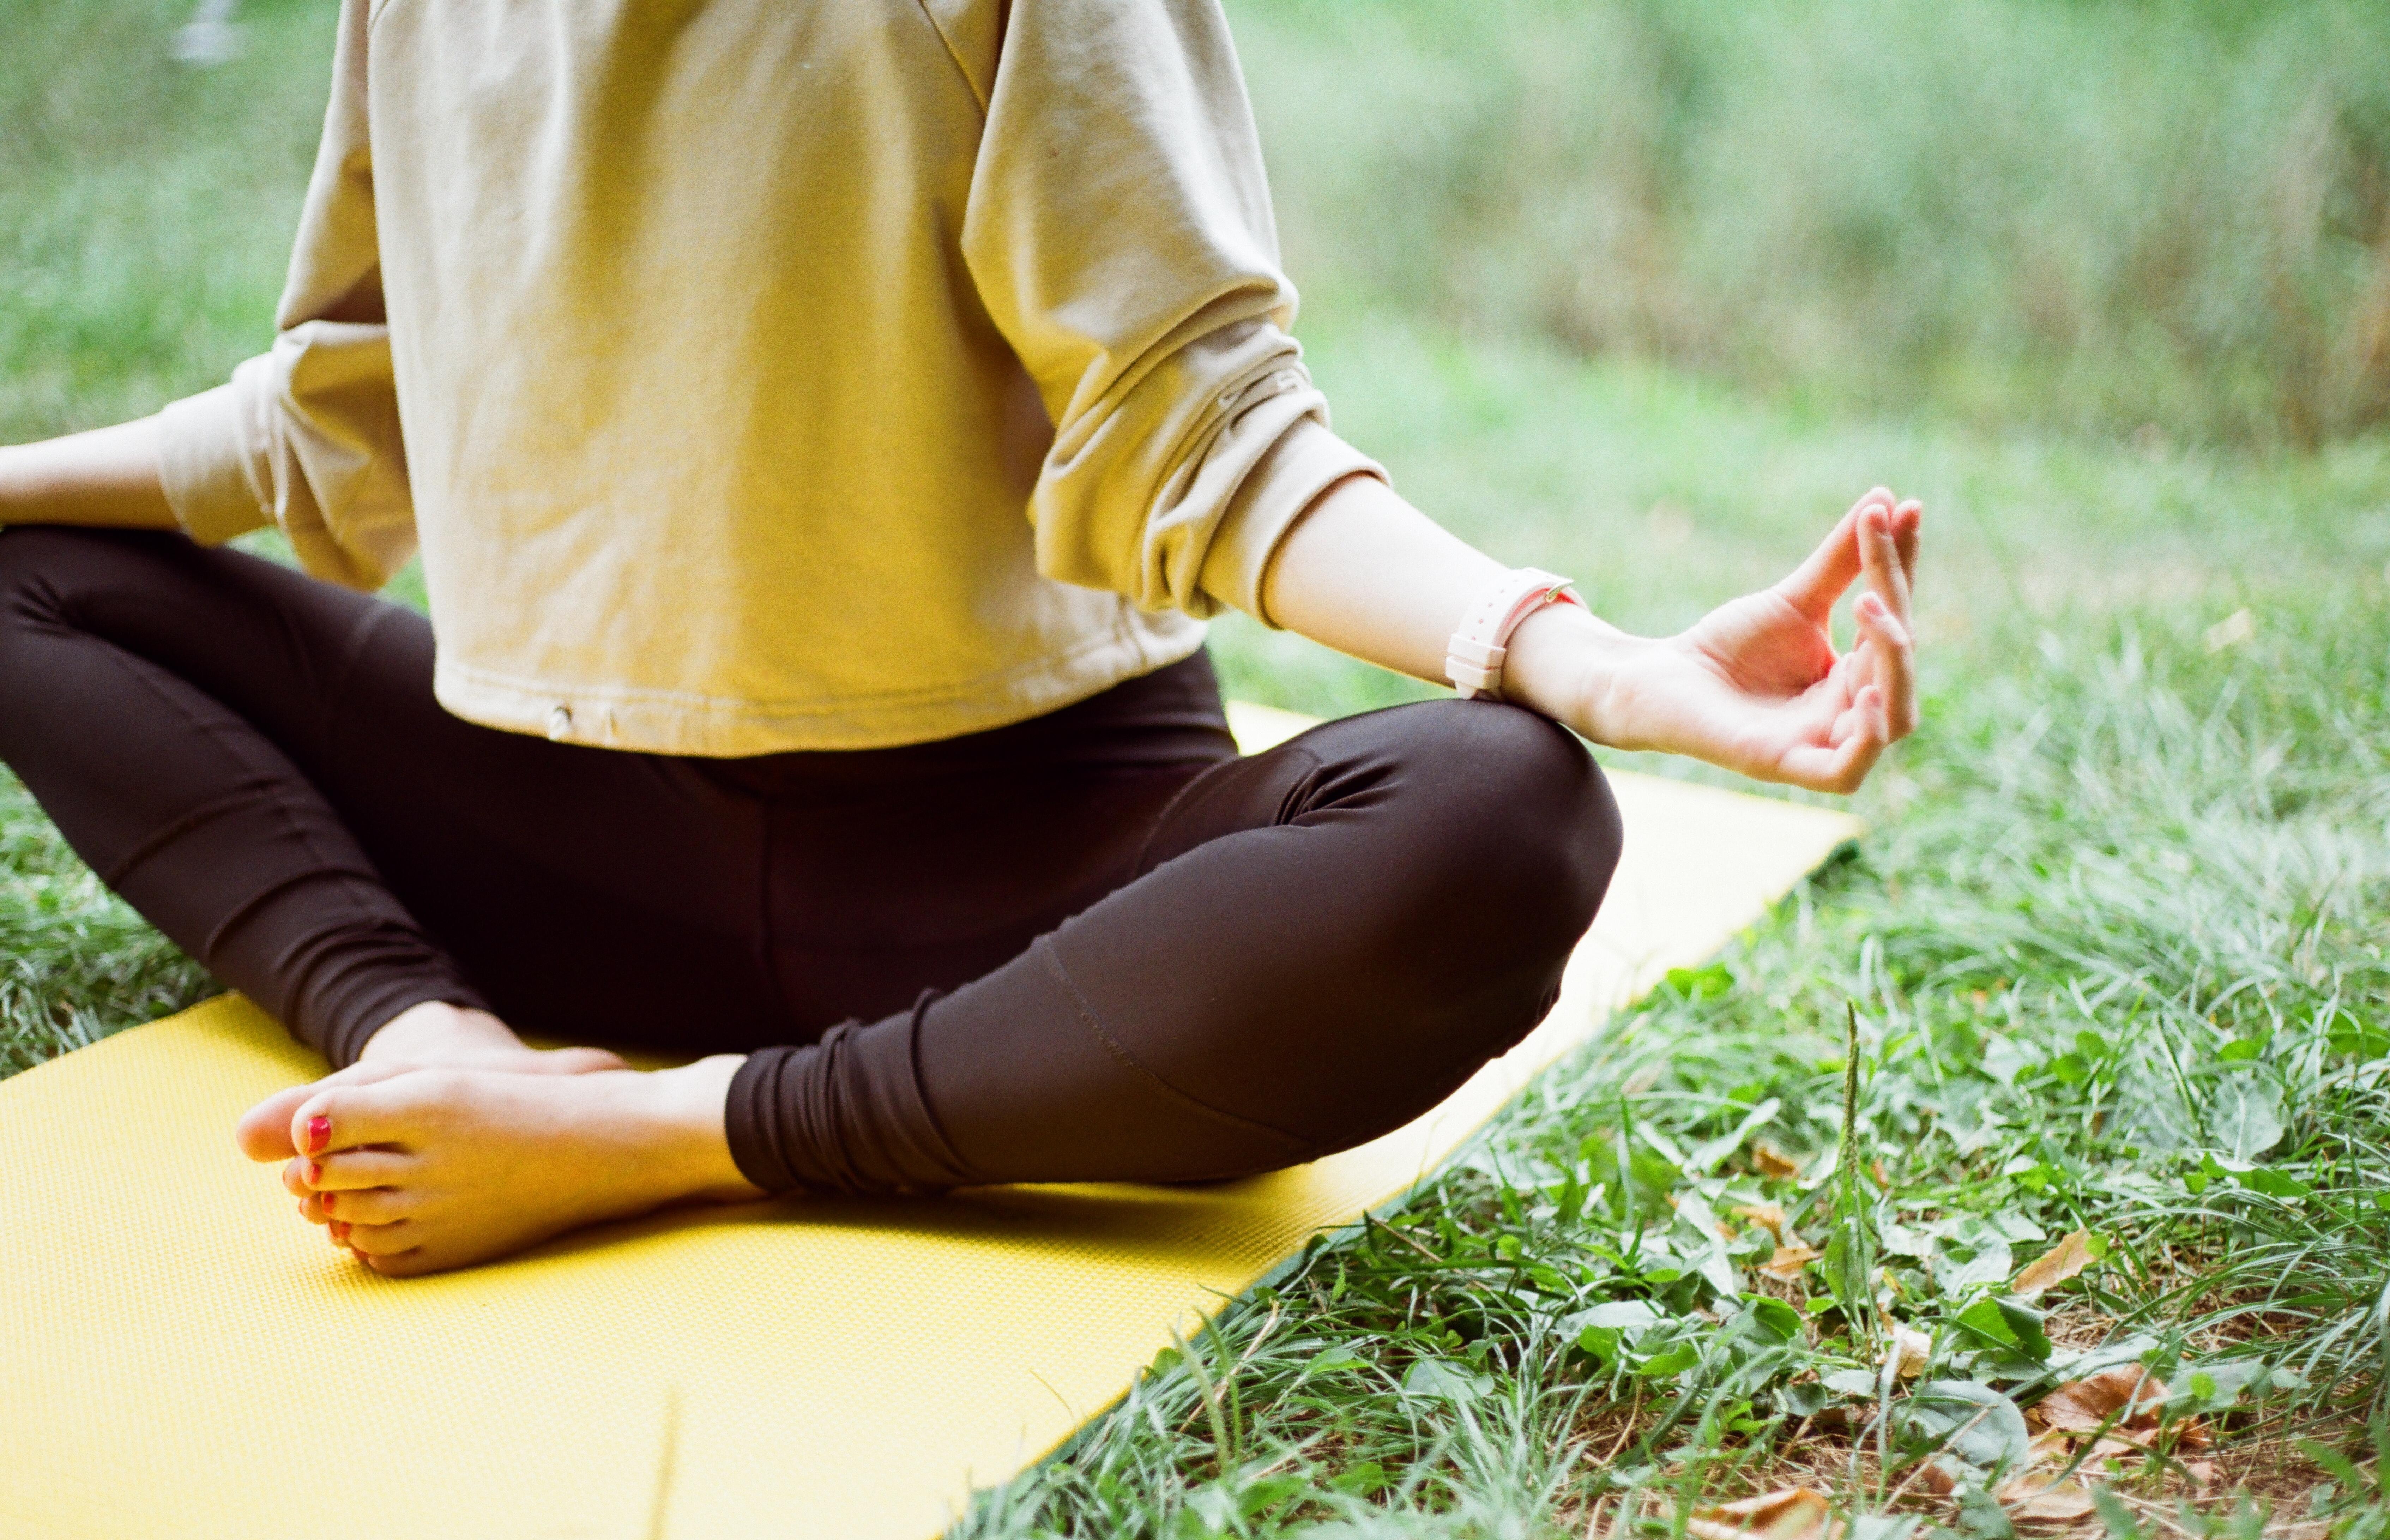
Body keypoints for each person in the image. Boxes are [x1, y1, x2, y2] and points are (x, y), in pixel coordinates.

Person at [0, 0, 1920, 1277]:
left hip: (1017, 886)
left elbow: (1214, 435)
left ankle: (667, 1136)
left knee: (1499, 812)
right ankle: (450, 1056)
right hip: (566, 838)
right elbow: (343, 410)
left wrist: (1589, 665)